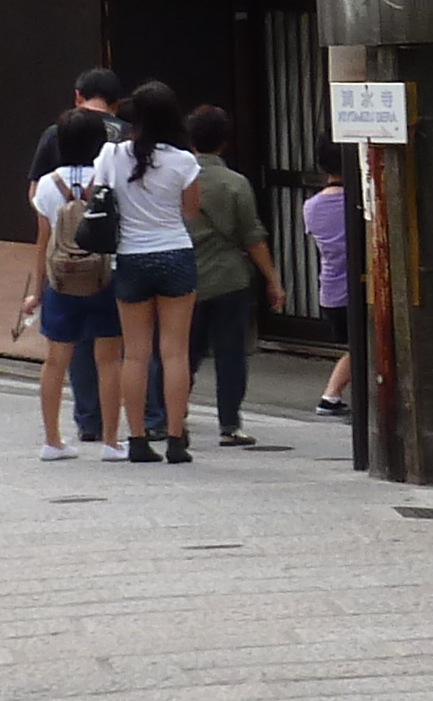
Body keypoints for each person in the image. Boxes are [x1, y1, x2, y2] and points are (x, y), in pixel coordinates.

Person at [96, 79, 207, 465]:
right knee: (175, 352)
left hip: (131, 256)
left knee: (136, 354)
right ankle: (177, 439)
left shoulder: (113, 155)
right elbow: (190, 212)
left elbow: (101, 195)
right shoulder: (185, 161)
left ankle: (138, 438)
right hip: (175, 252)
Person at [30, 69, 125, 447]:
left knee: (56, 360)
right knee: (109, 359)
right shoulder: (110, 180)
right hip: (106, 275)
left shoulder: (48, 186)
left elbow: (43, 241)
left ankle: (53, 441)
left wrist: (35, 290)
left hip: (61, 279)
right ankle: (113, 442)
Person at [183, 106, 283, 449]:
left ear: (190, 140)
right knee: (230, 354)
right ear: (224, 142)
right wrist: (273, 279)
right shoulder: (235, 183)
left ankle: (172, 415)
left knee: (182, 353)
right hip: (230, 279)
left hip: (185, 279)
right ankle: (229, 424)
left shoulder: (176, 179)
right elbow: (252, 236)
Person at [303, 152, 355, 417]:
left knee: (357, 348)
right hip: (357, 289)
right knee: (363, 347)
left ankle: (331, 396)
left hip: (330, 289)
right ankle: (330, 395)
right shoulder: (357, 204)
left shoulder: (311, 206)